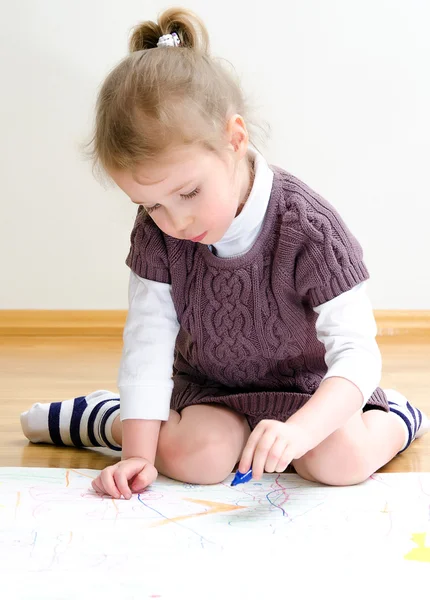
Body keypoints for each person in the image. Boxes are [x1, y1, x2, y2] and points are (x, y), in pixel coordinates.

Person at [20, 7, 428, 500]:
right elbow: (148, 341)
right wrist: (138, 456)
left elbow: (357, 353)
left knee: (338, 460)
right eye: (150, 205)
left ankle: (398, 416)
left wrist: (299, 431)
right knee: (200, 459)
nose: (174, 222)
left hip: (308, 388)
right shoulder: (158, 232)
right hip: (210, 390)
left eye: (188, 193)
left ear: (234, 139)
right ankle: (111, 419)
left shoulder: (308, 228)